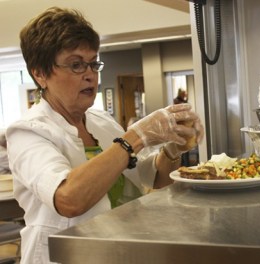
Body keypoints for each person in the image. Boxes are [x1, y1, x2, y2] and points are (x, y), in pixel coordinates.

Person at [6, 7, 204, 264]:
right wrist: (136, 136)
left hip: (123, 250)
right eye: (76, 65)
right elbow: (68, 199)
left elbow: (154, 177)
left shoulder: (101, 122)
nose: (90, 74)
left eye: (93, 63)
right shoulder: (27, 132)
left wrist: (173, 148)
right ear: (40, 74)